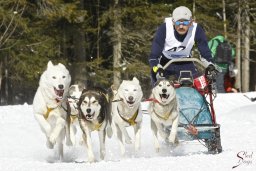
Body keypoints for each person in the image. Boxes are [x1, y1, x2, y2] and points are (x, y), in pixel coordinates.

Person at [149, 6, 217, 86]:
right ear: (173, 22)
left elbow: (205, 52)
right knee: (159, 85)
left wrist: (210, 65)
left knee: (197, 85)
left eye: (185, 23)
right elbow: (154, 56)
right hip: (165, 62)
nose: (181, 26)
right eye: (178, 23)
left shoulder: (196, 30)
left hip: (185, 62)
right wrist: (157, 68)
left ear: (191, 22)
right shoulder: (165, 28)